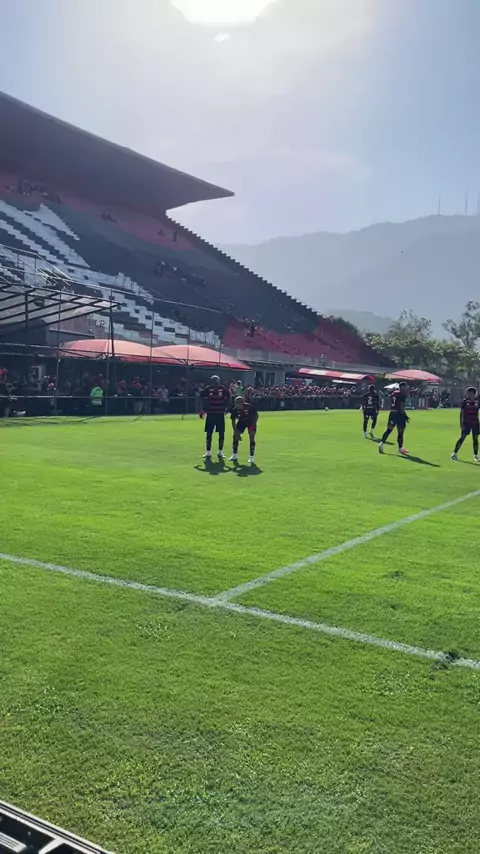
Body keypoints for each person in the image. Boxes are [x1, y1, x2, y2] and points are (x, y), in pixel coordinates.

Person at [199, 375, 230, 459]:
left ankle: (220, 451)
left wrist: (227, 407)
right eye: (212, 380)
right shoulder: (208, 389)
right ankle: (208, 452)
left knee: (221, 433)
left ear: (218, 381)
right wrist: (201, 409)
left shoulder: (222, 389)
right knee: (209, 433)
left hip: (220, 414)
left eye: (215, 380)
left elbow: (229, 397)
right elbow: (200, 397)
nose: (214, 382)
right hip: (211, 414)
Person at [379, 382, 410, 455]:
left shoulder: (394, 393)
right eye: (405, 387)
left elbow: (390, 400)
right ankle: (400, 448)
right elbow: (401, 406)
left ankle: (381, 443)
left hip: (392, 413)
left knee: (389, 430)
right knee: (400, 432)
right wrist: (405, 416)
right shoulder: (402, 394)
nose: (406, 388)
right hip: (399, 414)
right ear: (402, 387)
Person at [451, 387, 479, 462]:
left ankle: (476, 455)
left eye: (469, 393)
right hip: (466, 423)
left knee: (475, 439)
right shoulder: (465, 401)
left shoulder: (477, 401)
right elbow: (462, 413)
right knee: (462, 438)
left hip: (475, 423)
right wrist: (461, 423)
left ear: (473, 394)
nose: (468, 394)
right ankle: (454, 453)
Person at [229, 395, 258, 464]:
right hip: (241, 422)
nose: (235, 404)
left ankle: (251, 457)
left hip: (251, 422)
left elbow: (256, 415)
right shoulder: (235, 410)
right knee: (235, 437)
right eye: (235, 403)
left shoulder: (249, 407)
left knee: (251, 436)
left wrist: (253, 425)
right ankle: (235, 455)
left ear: (242, 403)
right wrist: (236, 433)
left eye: (237, 403)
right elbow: (233, 422)